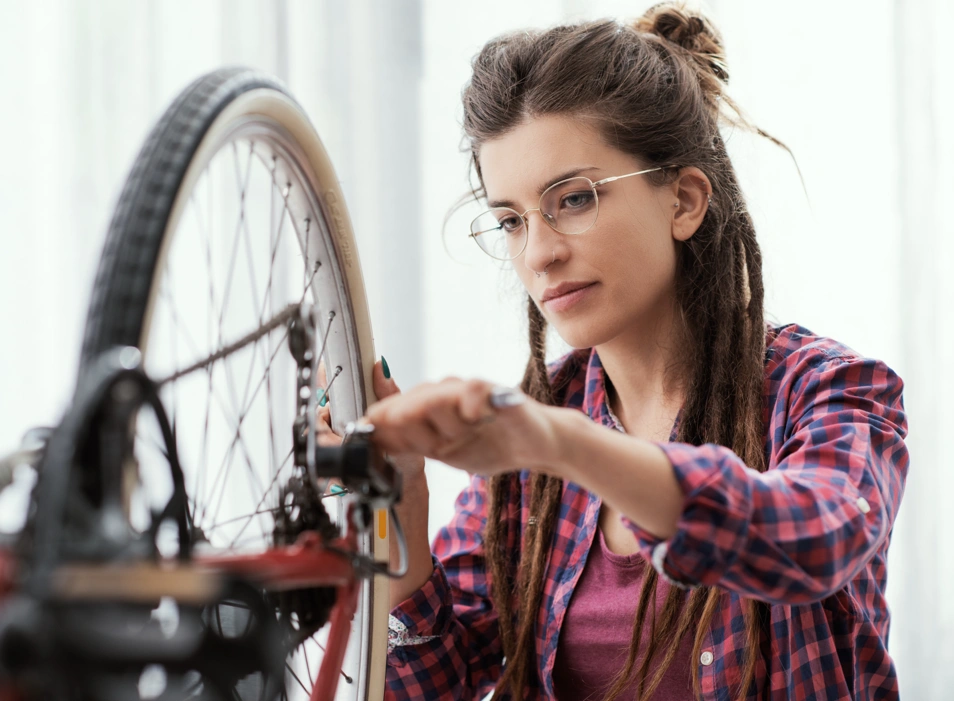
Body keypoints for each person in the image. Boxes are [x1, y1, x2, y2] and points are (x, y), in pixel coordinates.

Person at [320, 3, 909, 699]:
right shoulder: (540, 424)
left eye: (573, 199)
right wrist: (403, 514)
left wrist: (564, 446)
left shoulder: (829, 387)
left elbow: (815, 539)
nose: (538, 253)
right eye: (511, 220)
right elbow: (430, 685)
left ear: (683, 201)